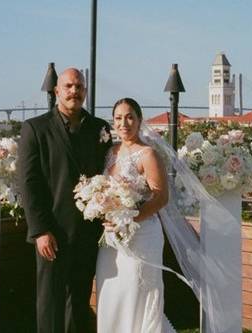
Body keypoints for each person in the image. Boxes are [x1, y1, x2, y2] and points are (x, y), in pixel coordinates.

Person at [18, 68, 112, 333]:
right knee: (50, 302)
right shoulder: (35, 128)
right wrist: (40, 231)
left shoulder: (99, 128)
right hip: (52, 234)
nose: (75, 91)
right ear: (57, 91)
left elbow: (107, 175)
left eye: (80, 87)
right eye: (69, 86)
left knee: (79, 302)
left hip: (88, 232)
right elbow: (28, 183)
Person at [96, 97, 176, 332]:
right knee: (111, 292)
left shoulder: (147, 154)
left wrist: (130, 218)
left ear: (140, 120)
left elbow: (161, 197)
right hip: (111, 240)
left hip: (142, 236)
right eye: (118, 118)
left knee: (135, 293)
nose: (124, 123)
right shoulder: (110, 152)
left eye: (130, 117)